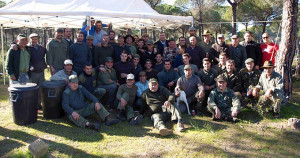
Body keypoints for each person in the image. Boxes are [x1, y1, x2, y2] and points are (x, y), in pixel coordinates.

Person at [28, 33, 48, 109]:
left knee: (40, 89)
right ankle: (33, 105)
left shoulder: (42, 48)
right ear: (30, 39)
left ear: (38, 40)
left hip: (41, 71)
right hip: (33, 72)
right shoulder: (28, 48)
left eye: (36, 39)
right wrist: (30, 66)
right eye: (32, 39)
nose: (34, 40)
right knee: (33, 89)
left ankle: (39, 104)